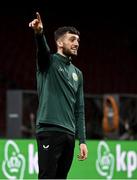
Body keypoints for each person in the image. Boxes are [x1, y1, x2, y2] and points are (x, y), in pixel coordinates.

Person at [29, 12, 88, 179]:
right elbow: (42, 50)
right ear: (60, 43)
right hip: (49, 130)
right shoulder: (48, 62)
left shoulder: (78, 73)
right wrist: (39, 34)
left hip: (69, 134)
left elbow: (80, 109)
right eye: (72, 40)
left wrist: (82, 140)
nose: (76, 43)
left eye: (77, 40)